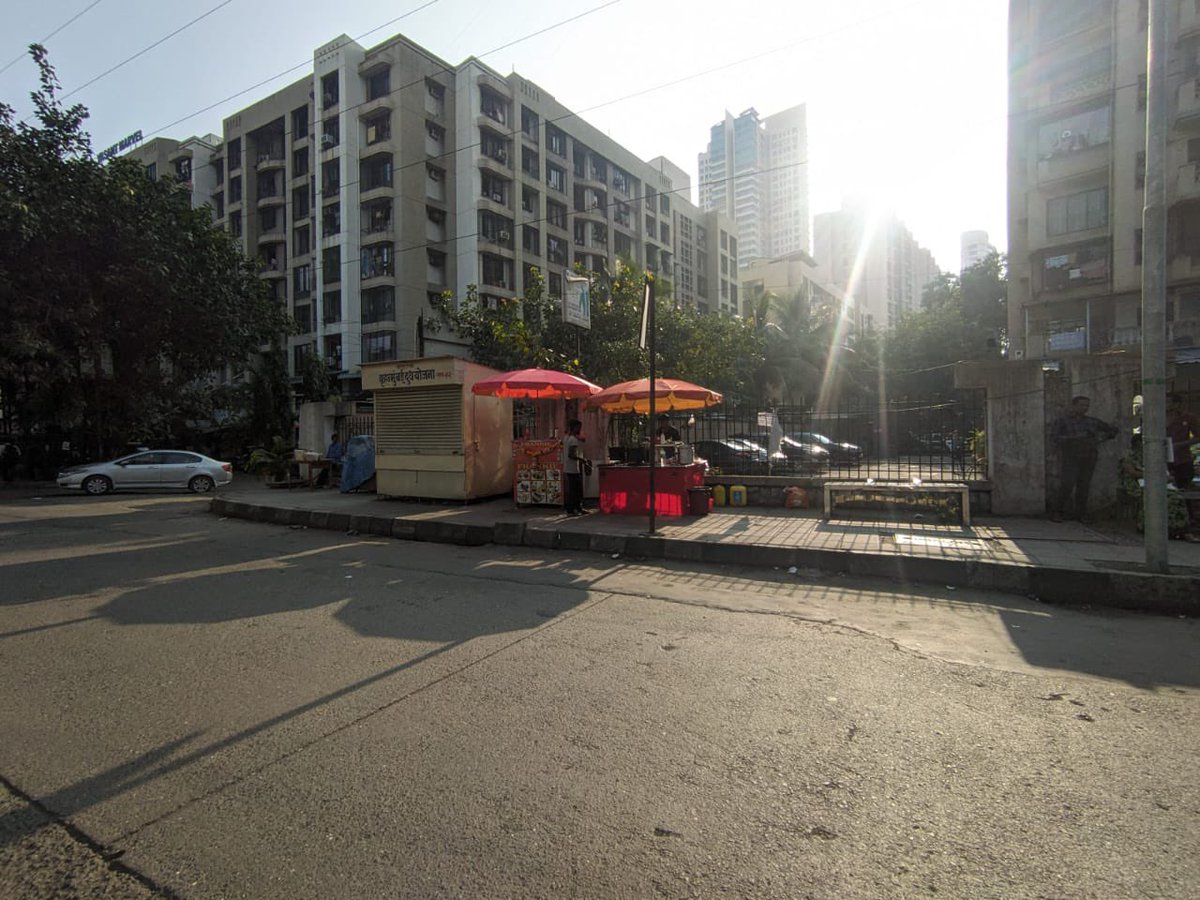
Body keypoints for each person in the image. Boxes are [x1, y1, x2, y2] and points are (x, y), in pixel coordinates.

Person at [1049, 395, 1118, 522]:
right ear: (1073, 406)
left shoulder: (1091, 422)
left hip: (1089, 455)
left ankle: (1081, 514)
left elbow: (1112, 430)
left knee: (1084, 486)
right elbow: (1055, 438)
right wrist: (1075, 438)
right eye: (1081, 405)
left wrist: (1100, 438)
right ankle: (1057, 511)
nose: (1084, 408)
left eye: (1086, 406)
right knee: (1067, 484)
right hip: (1071, 455)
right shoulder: (1063, 421)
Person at [562, 419, 587, 516]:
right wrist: (582, 460)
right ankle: (573, 509)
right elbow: (571, 455)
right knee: (576, 490)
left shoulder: (566, 438)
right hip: (573, 468)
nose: (580, 429)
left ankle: (576, 508)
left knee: (573, 490)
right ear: (575, 428)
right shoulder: (573, 440)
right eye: (579, 427)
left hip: (567, 467)